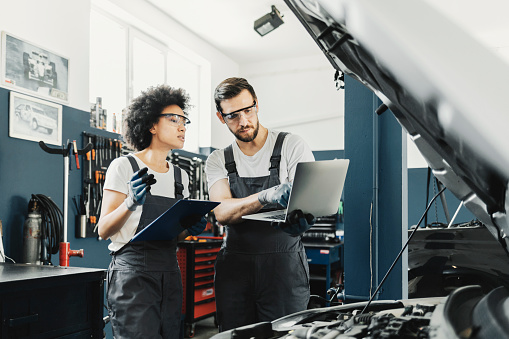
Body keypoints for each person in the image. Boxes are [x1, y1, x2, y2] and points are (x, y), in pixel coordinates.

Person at [205, 77, 316, 331]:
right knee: (235, 335)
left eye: (248, 110)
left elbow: (310, 203)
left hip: (283, 269)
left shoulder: (291, 145)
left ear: (257, 104)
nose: (243, 121)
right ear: (221, 117)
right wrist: (265, 196)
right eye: (233, 115)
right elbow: (222, 211)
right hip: (235, 272)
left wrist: (303, 221)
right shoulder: (218, 159)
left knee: (287, 335)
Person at [97, 84, 208, 339]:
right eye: (174, 119)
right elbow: (104, 230)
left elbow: (174, 236)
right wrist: (130, 203)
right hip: (133, 273)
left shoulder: (181, 176)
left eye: (185, 121)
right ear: (152, 125)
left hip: (170, 271)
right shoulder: (124, 166)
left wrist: (189, 230)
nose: (182, 127)